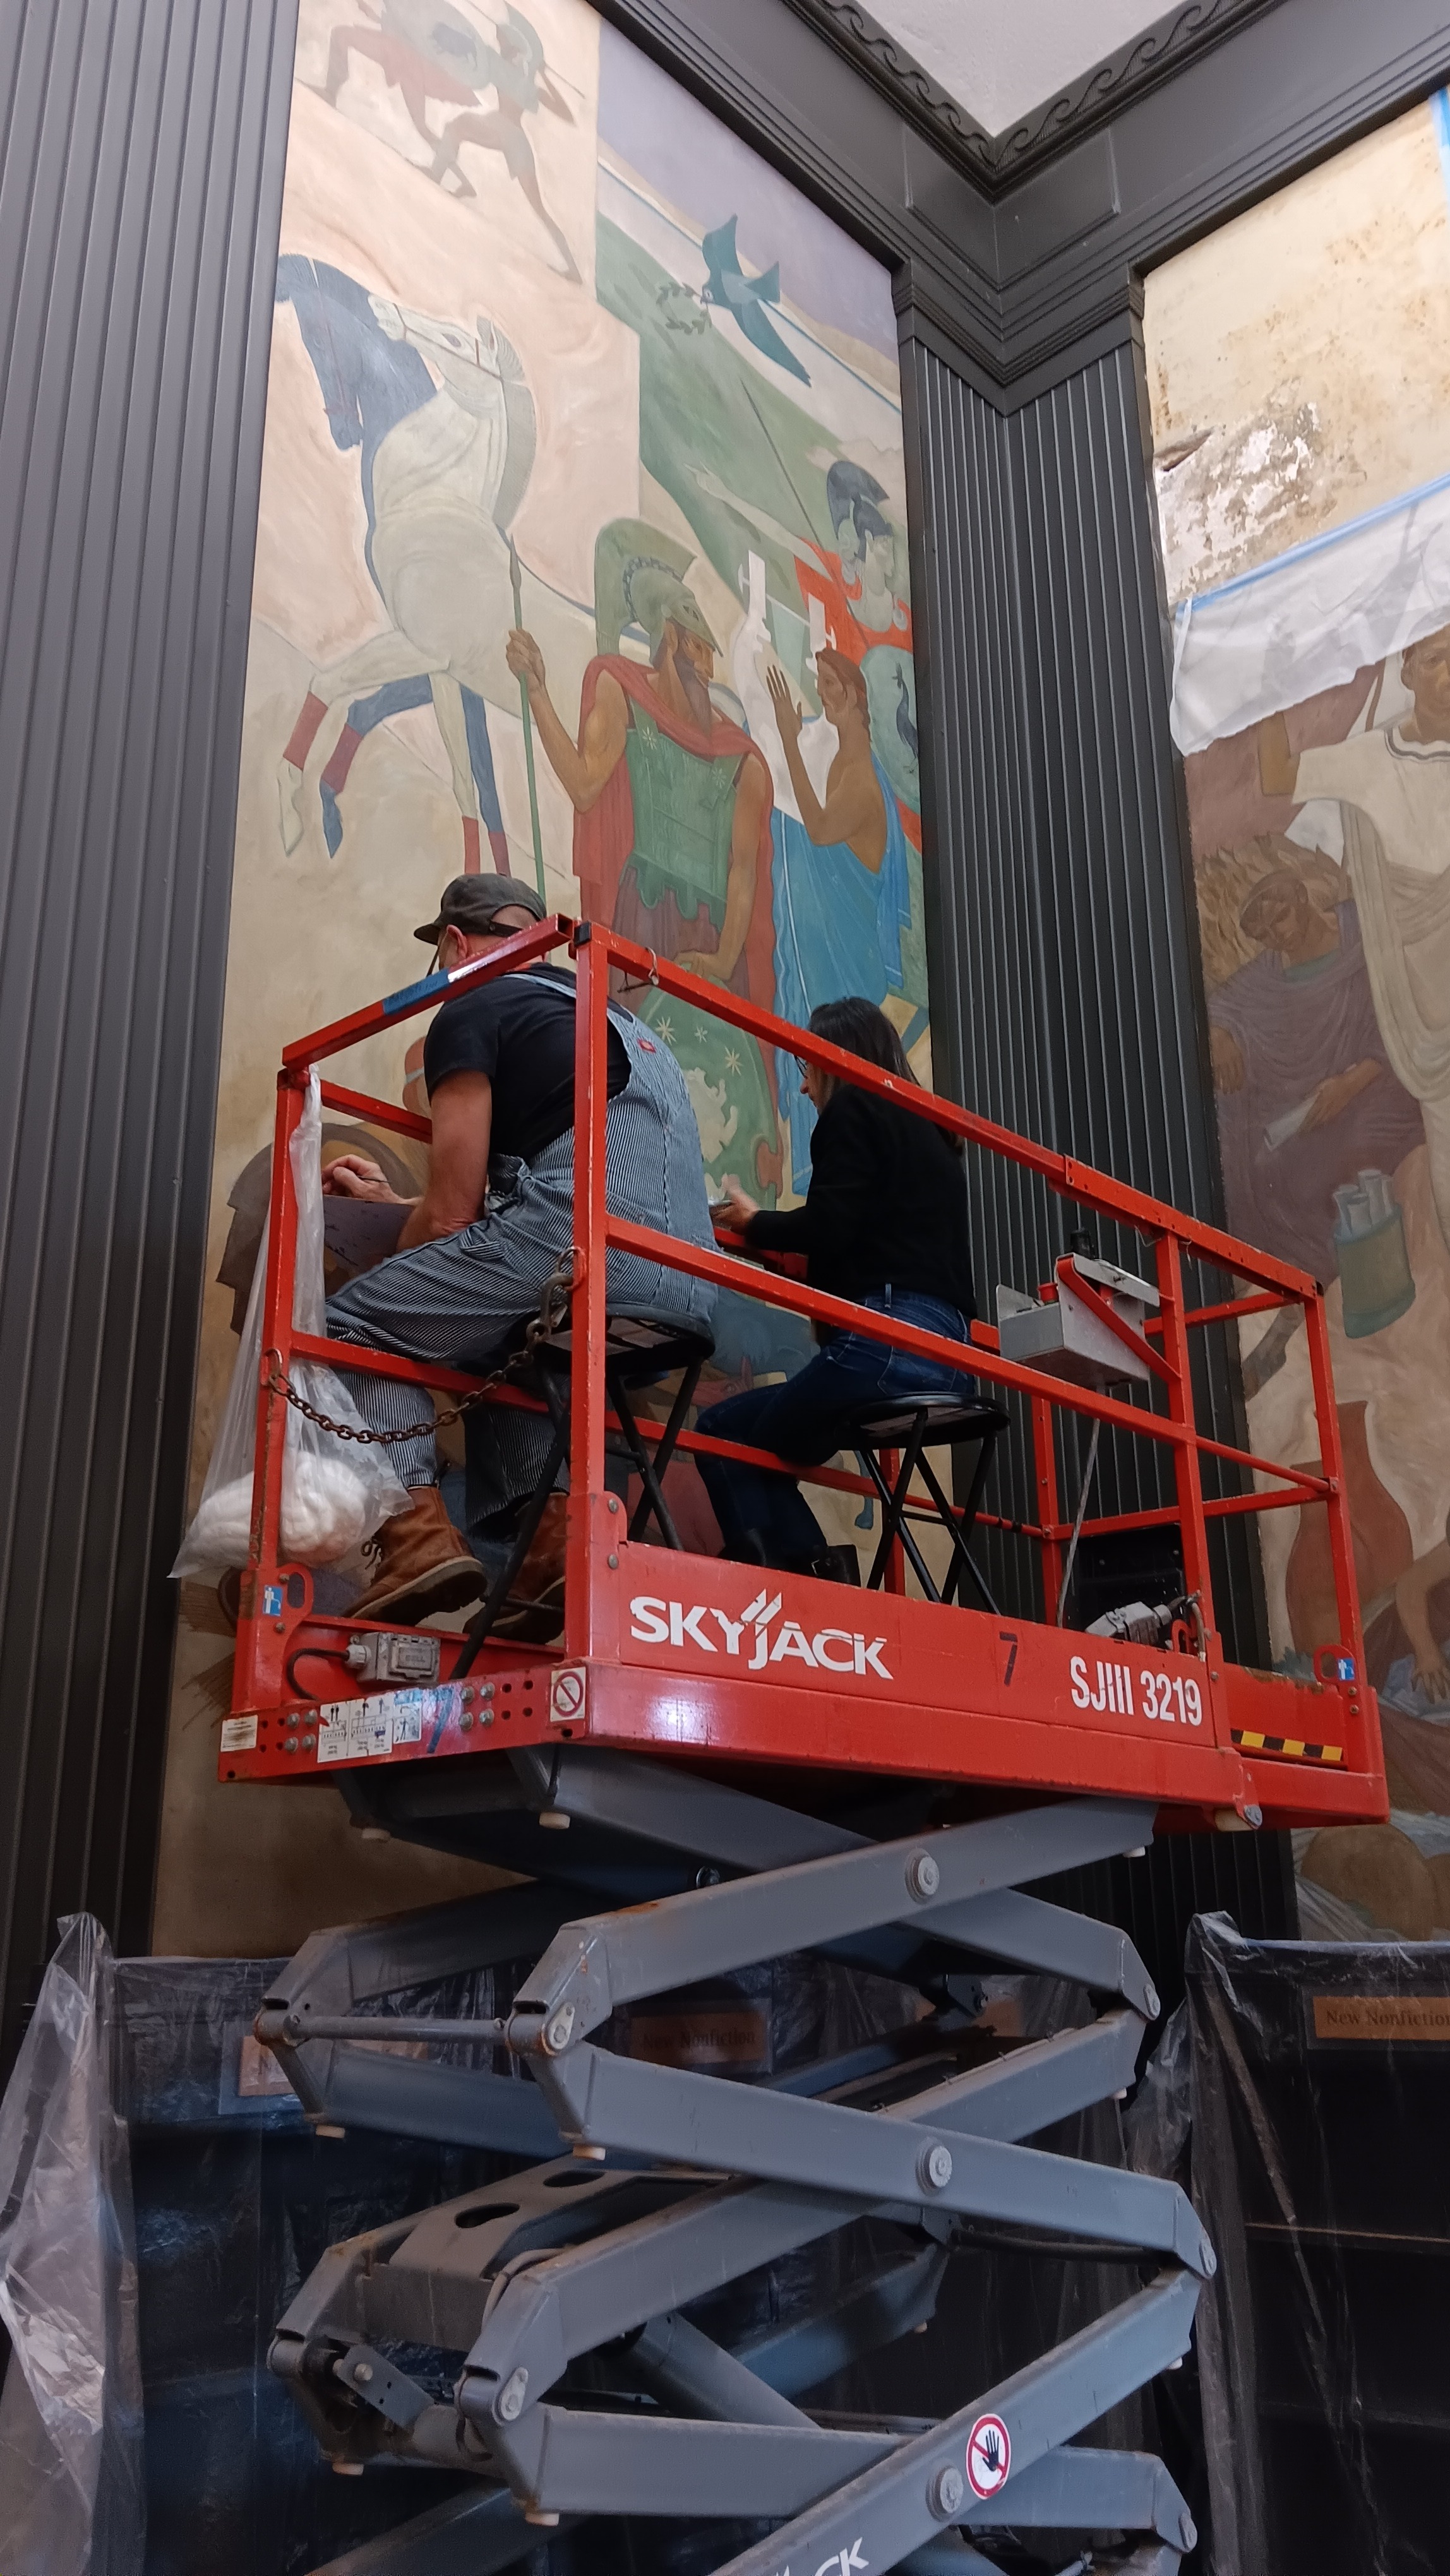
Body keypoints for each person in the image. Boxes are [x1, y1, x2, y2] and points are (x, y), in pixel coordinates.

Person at [320, 874, 716, 1625]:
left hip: (578, 1258)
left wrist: (391, 1247)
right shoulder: (610, 1019)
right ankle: (550, 1551)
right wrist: (392, 1209)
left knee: (346, 1326)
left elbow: (448, 1219)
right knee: (498, 1346)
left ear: (456, 946)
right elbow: (527, 1191)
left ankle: (413, 1535)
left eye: (441, 958)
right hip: (682, 1284)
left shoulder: (473, 1002)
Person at [505, 563, 781, 1202]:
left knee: (701, 1078)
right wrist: (539, 691)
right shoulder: (619, 689)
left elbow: (742, 874)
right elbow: (582, 784)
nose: (709, 664)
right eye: (702, 644)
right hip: (640, 912)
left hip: (707, 936)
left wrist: (720, 957)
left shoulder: (744, 762)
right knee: (624, 1070)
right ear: (674, 635)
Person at [695, 997, 976, 1574]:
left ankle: (795, 1581)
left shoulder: (852, 1111)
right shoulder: (933, 1136)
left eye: (807, 1069)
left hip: (885, 1343)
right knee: (780, 1439)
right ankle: (818, 1576)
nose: (804, 1090)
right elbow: (871, 1240)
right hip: (953, 1358)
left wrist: (754, 1223)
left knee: (724, 1430)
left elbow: (829, 1225)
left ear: (833, 1059)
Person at [1258, 628, 1450, 1250]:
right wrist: (1270, 682)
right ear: (1406, 670)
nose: (1448, 674)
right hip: (1426, 1014)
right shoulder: (1371, 759)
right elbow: (1275, 776)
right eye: (1436, 657)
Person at [1207, 857, 1423, 1280]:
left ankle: (1375, 1277)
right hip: (1314, 1097)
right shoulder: (1271, 970)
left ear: (1300, 897)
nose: (1277, 936)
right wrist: (1219, 1036)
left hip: (1381, 1078)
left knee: (1354, 1152)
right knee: (1255, 1159)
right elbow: (1224, 1002)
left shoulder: (1366, 928)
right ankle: (1294, 1279)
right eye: (1264, 933)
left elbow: (1404, 1003)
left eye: (1280, 919)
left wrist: (1348, 1084)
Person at [765, 650, 913, 1191]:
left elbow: (821, 830)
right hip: (834, 942)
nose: (822, 693)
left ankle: (830, 1177)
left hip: (843, 953)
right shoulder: (849, 759)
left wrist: (785, 738)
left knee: (831, 1060)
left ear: (852, 693)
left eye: (829, 685)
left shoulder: (861, 779)